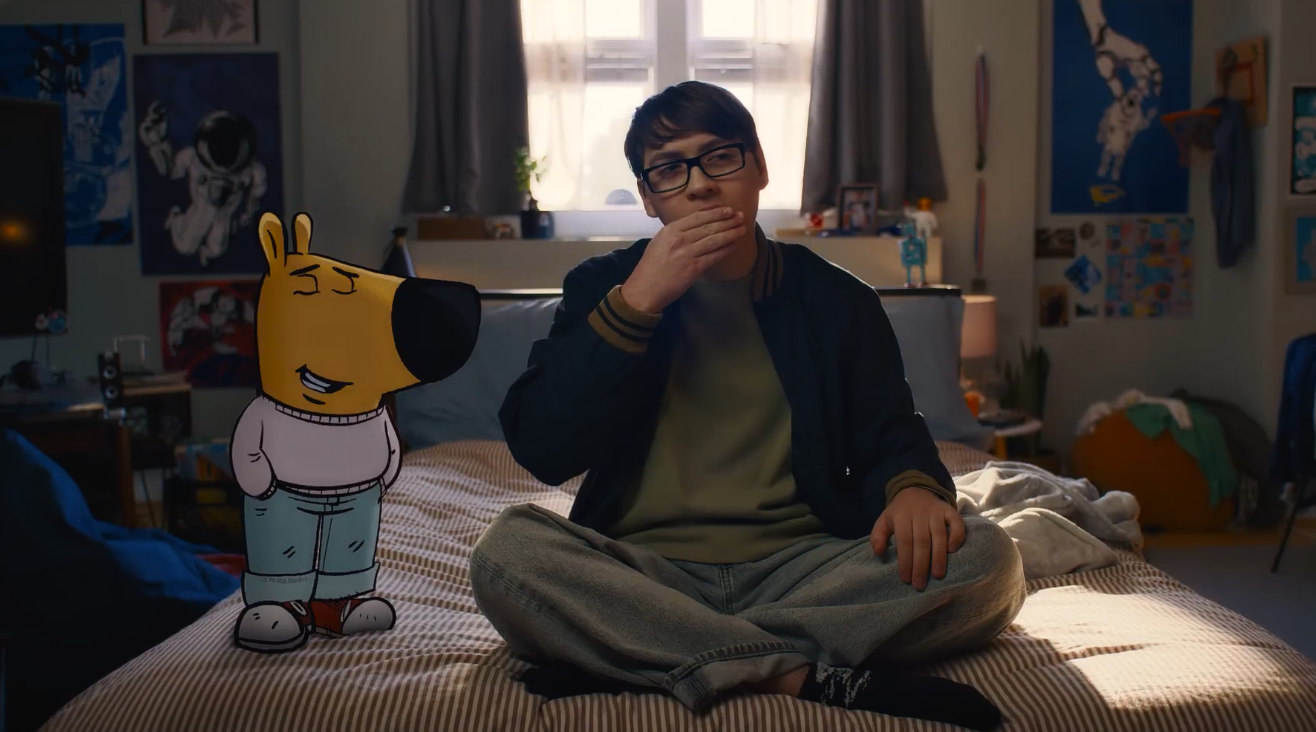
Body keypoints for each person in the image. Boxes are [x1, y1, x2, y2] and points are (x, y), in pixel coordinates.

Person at [471, 81, 1026, 731]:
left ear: (759, 166)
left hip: (804, 567)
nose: (701, 186)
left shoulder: (837, 300)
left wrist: (913, 490)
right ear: (648, 199)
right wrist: (637, 303)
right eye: (670, 170)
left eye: (720, 157)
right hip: (645, 572)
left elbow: (892, 431)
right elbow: (542, 447)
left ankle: (644, 651)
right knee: (507, 553)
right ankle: (794, 672)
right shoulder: (603, 286)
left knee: (988, 558)